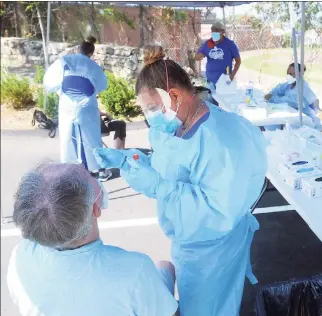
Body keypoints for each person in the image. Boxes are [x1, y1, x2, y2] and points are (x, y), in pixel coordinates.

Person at [93, 46, 268, 316]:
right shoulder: (174, 125)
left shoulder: (220, 140)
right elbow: (167, 163)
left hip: (213, 248)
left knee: (209, 308)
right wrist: (128, 158)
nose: (150, 116)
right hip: (189, 242)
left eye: (152, 108)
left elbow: (217, 211)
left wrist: (160, 188)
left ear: (174, 95)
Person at [7, 162, 178, 316]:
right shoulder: (135, 271)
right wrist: (166, 274)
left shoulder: (20, 256)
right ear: (95, 209)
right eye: (89, 176)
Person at [43, 36, 112, 181]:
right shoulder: (92, 65)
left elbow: (49, 81)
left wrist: (60, 91)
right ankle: (100, 171)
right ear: (91, 53)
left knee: (68, 136)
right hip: (86, 104)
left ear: (79, 49)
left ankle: (69, 170)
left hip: (67, 102)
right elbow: (102, 85)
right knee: (92, 137)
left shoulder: (64, 61)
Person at [264, 63, 321, 130]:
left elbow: (288, 101)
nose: (288, 76)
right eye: (287, 73)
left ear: (299, 74)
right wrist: (271, 94)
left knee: (273, 126)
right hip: (292, 117)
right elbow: (278, 89)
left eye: (291, 74)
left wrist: (272, 98)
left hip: (305, 120)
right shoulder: (290, 84)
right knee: (270, 125)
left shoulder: (303, 88)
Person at [195, 22, 241, 91]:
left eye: (216, 30)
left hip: (225, 81)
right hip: (210, 82)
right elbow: (197, 57)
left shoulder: (230, 44)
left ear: (223, 32)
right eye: (212, 30)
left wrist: (232, 75)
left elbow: (238, 61)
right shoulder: (208, 43)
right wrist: (199, 56)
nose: (214, 32)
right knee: (211, 101)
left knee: (223, 101)